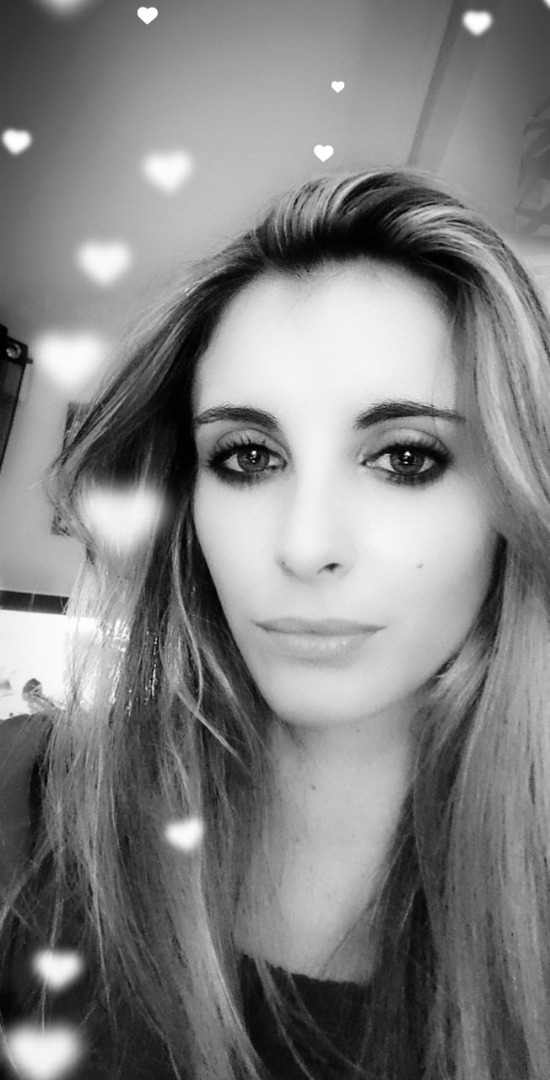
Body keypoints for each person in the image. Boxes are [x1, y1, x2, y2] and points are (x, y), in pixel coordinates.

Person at [1, 166, 550, 1080]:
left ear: (515, 501)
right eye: (248, 456)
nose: (304, 546)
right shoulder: (26, 804)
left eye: (406, 457)